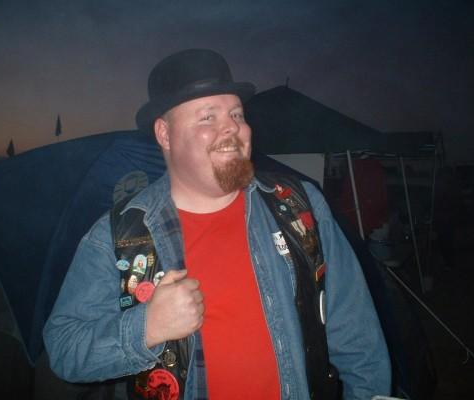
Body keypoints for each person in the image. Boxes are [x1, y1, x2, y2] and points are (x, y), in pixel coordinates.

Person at [43, 48, 391, 400]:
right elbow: (65, 349)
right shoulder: (119, 233)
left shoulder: (298, 205)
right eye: (208, 117)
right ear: (165, 134)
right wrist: (147, 328)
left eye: (236, 114)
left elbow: (357, 333)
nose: (233, 128)